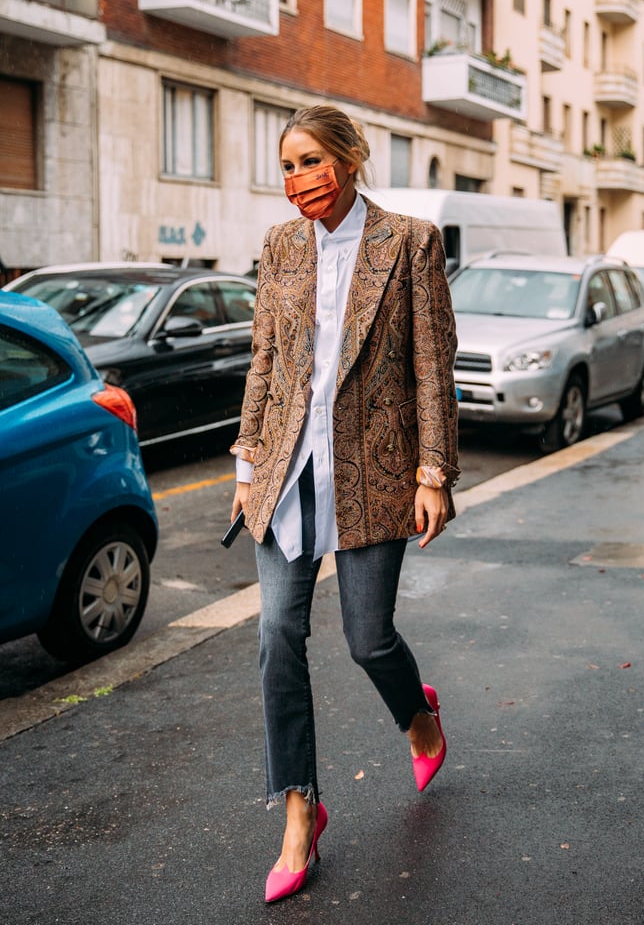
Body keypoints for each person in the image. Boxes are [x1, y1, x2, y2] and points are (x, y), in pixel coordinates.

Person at [229, 105, 459, 903]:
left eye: (310, 162)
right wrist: (246, 459)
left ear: (351, 158)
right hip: (287, 467)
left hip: (377, 468)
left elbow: (432, 367)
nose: (297, 182)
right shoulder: (280, 246)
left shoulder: (409, 242)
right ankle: (299, 810)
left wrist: (434, 472)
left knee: (368, 640)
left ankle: (419, 717)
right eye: (286, 167)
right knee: (275, 638)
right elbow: (266, 359)